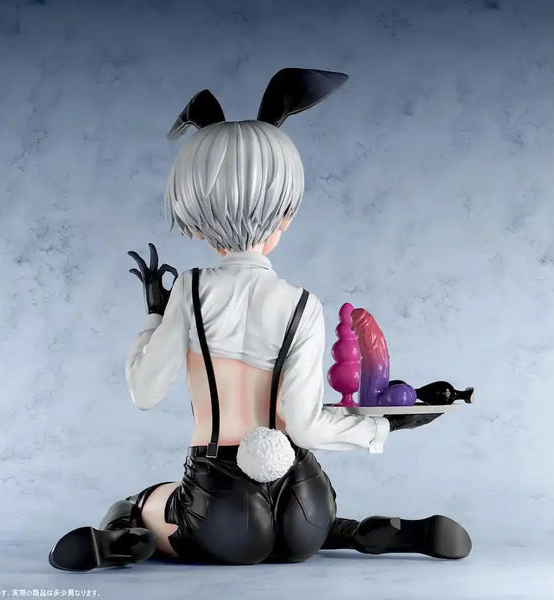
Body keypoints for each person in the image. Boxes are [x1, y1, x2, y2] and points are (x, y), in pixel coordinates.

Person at [48, 68, 472, 571]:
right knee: (313, 525)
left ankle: (123, 536)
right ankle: (357, 532)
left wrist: (154, 316)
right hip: (303, 499)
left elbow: (144, 392)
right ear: (286, 214)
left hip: (219, 505)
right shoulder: (303, 304)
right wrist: (382, 426)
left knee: (141, 501)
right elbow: (306, 425)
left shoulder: (191, 290)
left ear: (199, 219)